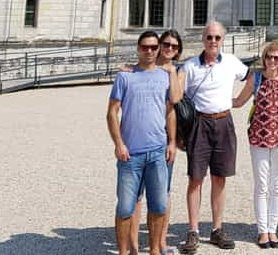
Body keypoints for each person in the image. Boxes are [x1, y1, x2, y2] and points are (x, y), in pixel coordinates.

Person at [178, 22, 249, 253]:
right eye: (209, 37)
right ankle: (193, 230)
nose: (213, 41)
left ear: (223, 39)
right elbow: (174, 95)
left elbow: (252, 77)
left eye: (217, 37)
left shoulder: (231, 62)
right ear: (203, 39)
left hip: (223, 121)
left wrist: (239, 101)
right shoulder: (189, 66)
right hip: (199, 123)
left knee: (220, 178)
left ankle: (217, 228)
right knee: (196, 178)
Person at [107, 31, 177, 255]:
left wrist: (172, 141)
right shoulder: (125, 76)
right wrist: (119, 143)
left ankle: (155, 250)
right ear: (138, 48)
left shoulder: (165, 75)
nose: (149, 51)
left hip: (157, 152)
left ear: (158, 50)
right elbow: (111, 112)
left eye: (153, 47)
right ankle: (124, 252)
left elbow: (170, 111)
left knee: (158, 205)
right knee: (125, 208)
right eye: (145, 47)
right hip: (131, 154)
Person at [232, 41, 278, 248]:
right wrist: (211, 99)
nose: (272, 61)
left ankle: (273, 229)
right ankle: (262, 231)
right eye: (269, 57)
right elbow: (239, 102)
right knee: (262, 185)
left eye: (276, 58)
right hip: (259, 138)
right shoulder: (256, 78)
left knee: (277, 185)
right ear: (264, 58)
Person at [127, 30, 185, 255]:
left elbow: (176, 99)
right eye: (166, 44)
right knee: (136, 195)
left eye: (174, 46)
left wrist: (170, 73)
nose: (169, 48)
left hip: (162, 141)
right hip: (139, 140)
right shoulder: (141, 67)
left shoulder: (177, 70)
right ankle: (133, 247)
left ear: (178, 50)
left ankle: (159, 243)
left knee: (162, 193)